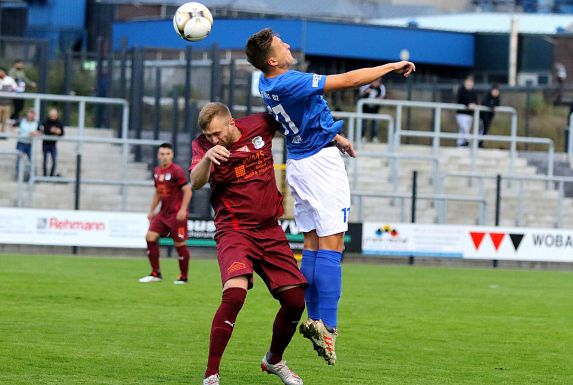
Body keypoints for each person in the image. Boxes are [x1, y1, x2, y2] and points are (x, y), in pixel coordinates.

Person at [245, 28, 415, 365]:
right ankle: (330, 328)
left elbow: (301, 117)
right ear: (273, 60)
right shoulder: (288, 80)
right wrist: (391, 67)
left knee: (311, 242)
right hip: (319, 166)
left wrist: (335, 137)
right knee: (333, 245)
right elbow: (350, 80)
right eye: (283, 43)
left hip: (299, 160)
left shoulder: (267, 83)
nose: (289, 44)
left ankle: (315, 319)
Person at [190, 102, 307, 385]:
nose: (213, 140)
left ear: (231, 123)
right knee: (235, 295)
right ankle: (211, 375)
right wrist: (207, 157)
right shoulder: (203, 147)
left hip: (269, 230)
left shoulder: (260, 124)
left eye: (217, 134)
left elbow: (295, 121)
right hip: (235, 230)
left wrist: (333, 137)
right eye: (208, 135)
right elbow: (195, 182)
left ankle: (274, 360)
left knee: (295, 302)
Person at [139, 142, 192, 284]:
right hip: (163, 213)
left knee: (179, 244)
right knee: (150, 237)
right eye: (162, 154)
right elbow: (158, 192)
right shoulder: (157, 171)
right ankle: (155, 273)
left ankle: (184, 277)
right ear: (158, 155)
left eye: (167, 154)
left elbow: (187, 190)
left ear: (172, 155)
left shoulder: (177, 171)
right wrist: (152, 210)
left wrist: (183, 209)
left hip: (176, 214)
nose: (165, 157)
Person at [15, 108, 40, 178]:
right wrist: (17, 131)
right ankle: (17, 175)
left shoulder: (37, 122)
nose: (31, 115)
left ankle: (33, 176)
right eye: (30, 113)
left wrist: (36, 133)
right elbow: (13, 126)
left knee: (32, 159)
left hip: (30, 143)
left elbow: (41, 131)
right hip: (21, 143)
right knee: (19, 160)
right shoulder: (21, 120)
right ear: (27, 113)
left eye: (33, 114)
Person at [358, 78, 386, 142]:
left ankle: (374, 137)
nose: (377, 82)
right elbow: (361, 93)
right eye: (376, 81)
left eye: (379, 81)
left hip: (375, 109)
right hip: (365, 108)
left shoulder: (382, 87)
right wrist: (367, 91)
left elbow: (382, 97)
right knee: (363, 122)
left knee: (374, 123)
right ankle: (362, 137)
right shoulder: (366, 85)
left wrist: (376, 98)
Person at [40, 108, 64, 177]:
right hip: (45, 144)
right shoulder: (46, 121)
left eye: (54, 115)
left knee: (54, 161)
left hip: (53, 144)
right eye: (51, 115)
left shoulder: (59, 123)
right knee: (45, 161)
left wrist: (58, 132)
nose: (52, 117)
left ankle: (51, 176)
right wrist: (53, 131)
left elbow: (62, 132)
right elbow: (44, 131)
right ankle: (44, 176)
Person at [456, 75, 478, 147]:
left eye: (471, 82)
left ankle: (460, 144)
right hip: (461, 114)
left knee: (463, 131)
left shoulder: (473, 92)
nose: (469, 84)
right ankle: (469, 142)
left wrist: (474, 105)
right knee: (465, 129)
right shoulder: (461, 90)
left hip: (470, 115)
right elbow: (460, 100)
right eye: (468, 82)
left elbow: (476, 101)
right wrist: (468, 105)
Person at [0, 67, 17, 137]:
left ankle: (3, 134)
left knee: (5, 120)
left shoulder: (10, 80)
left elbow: (15, 88)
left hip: (7, 103)